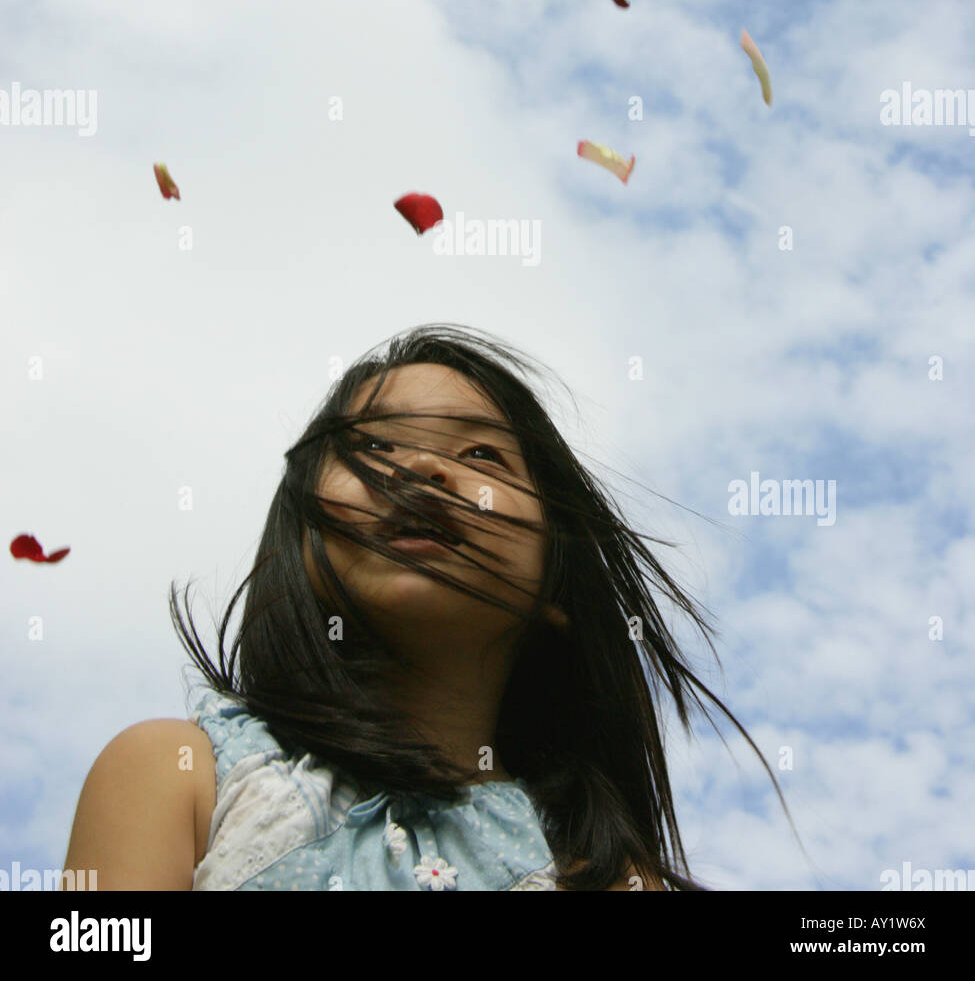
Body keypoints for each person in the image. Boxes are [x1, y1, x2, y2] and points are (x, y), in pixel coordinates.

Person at [62, 324, 794, 890]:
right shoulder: (181, 773)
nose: (418, 467)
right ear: (301, 545)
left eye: (482, 457)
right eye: (372, 448)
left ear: (557, 593)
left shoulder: (609, 875)